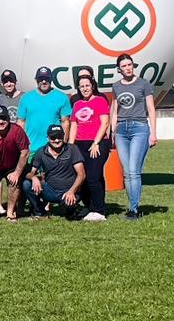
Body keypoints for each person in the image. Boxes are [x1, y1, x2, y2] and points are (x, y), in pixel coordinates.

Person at [109, 53, 158, 221]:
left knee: (134, 171)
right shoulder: (116, 86)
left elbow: (151, 109)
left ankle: (134, 209)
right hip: (122, 130)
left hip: (139, 128)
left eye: (129, 65)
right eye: (124, 66)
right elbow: (114, 110)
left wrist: (153, 133)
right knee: (127, 172)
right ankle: (132, 206)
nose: (127, 68)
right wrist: (113, 131)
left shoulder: (143, 84)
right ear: (119, 69)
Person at [68, 72, 111, 221]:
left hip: (98, 143)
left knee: (94, 176)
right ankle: (90, 207)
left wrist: (96, 143)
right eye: (82, 87)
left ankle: (99, 210)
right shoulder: (77, 104)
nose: (85, 88)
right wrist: (71, 146)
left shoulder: (100, 101)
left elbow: (105, 123)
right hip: (80, 143)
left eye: (87, 85)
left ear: (92, 86)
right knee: (83, 177)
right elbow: (74, 125)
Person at [22, 125, 87, 219]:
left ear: (64, 136)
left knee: (70, 211)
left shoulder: (72, 149)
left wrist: (71, 191)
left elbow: (81, 174)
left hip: (70, 190)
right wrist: (34, 177)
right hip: (50, 190)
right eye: (53, 137)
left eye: (59, 137)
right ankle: (39, 212)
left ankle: (71, 211)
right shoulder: (41, 152)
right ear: (47, 138)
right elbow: (29, 172)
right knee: (27, 184)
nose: (57, 140)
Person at [17, 67, 72, 155]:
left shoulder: (62, 97)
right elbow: (21, 122)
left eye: (47, 79)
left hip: (53, 149)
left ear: (51, 79)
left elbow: (65, 122)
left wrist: (63, 145)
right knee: (29, 169)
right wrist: (21, 145)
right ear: (36, 80)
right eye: (40, 79)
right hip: (30, 149)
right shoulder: (25, 98)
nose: (43, 81)